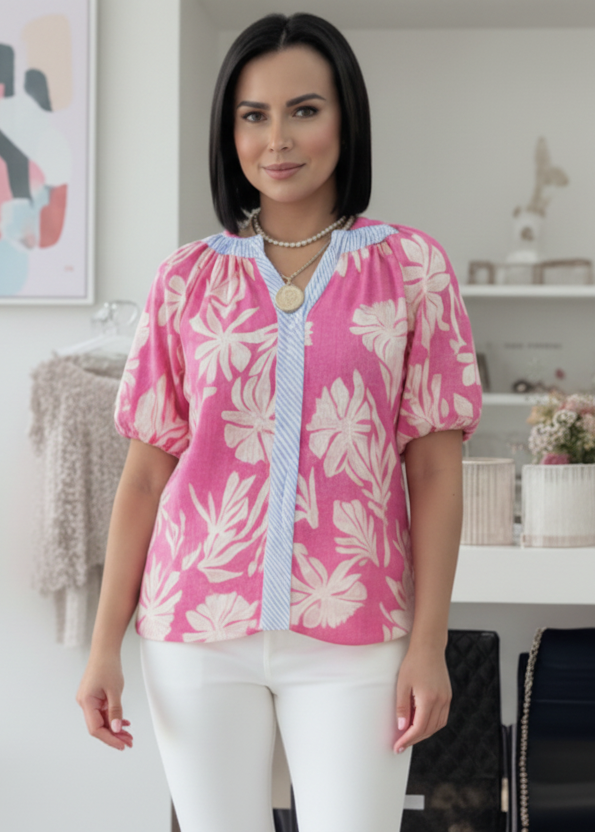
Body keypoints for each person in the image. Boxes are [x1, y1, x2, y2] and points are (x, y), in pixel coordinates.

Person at [76, 12, 482, 832]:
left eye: (304, 109)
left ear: (346, 118)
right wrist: (102, 648)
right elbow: (147, 474)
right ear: (230, 130)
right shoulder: (184, 279)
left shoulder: (410, 269)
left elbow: (434, 470)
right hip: (193, 624)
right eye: (252, 116)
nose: (277, 140)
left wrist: (429, 643)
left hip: (358, 629)